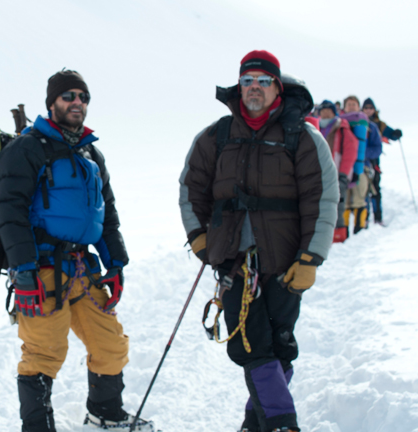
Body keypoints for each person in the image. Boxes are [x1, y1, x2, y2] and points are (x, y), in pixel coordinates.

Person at [179, 50, 338, 432]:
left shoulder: (302, 136)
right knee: (249, 343)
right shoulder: (216, 135)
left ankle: (255, 423)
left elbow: (323, 197)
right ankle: (283, 423)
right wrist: (199, 237)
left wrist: (311, 258)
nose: (254, 87)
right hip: (234, 261)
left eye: (263, 81)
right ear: (239, 85)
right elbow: (191, 189)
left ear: (277, 87)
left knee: (278, 345)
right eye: (248, 79)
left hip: (286, 262)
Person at [0, 70, 151, 431]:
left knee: (110, 343)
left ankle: (105, 411)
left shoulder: (90, 152)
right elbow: (10, 212)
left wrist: (117, 263)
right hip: (43, 269)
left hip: (84, 268)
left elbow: (107, 214)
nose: (77, 102)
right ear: (52, 103)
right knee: (43, 352)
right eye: (68, 96)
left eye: (83, 97)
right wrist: (25, 269)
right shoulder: (28, 148)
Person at [317, 100, 359, 242]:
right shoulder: (315, 128)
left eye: (328, 110)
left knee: (338, 204)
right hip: (318, 174)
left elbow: (350, 152)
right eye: (322, 111)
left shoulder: (342, 128)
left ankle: (339, 235)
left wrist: (343, 174)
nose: (325, 113)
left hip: (337, 173)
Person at [341, 96, 381, 233]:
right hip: (342, 168)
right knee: (343, 200)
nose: (351, 107)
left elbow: (377, 148)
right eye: (349, 104)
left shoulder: (369, 126)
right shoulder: (339, 125)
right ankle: (343, 232)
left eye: (354, 104)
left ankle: (360, 230)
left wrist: (362, 154)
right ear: (344, 107)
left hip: (362, 168)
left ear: (358, 107)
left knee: (359, 199)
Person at [362, 97, 403, 224]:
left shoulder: (379, 124)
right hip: (359, 161)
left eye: (370, 108)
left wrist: (396, 134)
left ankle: (377, 217)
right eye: (366, 108)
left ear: (374, 110)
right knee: (363, 190)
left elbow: (390, 133)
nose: (368, 110)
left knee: (375, 189)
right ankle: (364, 218)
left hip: (374, 161)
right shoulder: (357, 121)